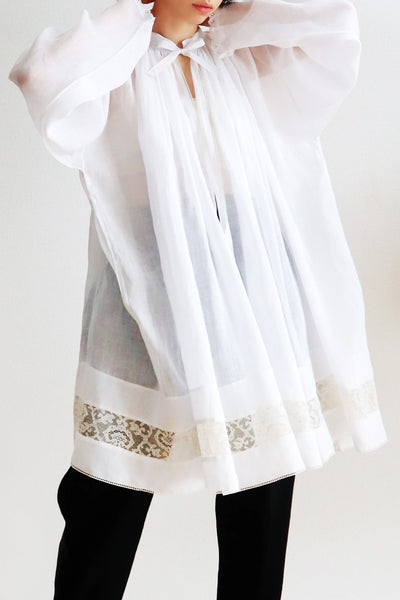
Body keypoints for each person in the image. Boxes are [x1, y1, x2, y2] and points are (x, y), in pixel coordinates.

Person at [8, 1, 388, 598]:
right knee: (110, 488)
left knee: (263, 490)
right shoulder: (120, 68)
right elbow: (41, 77)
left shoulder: (242, 54)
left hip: (253, 291)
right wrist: (140, 15)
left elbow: (334, 22)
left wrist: (238, 18)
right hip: (149, 297)